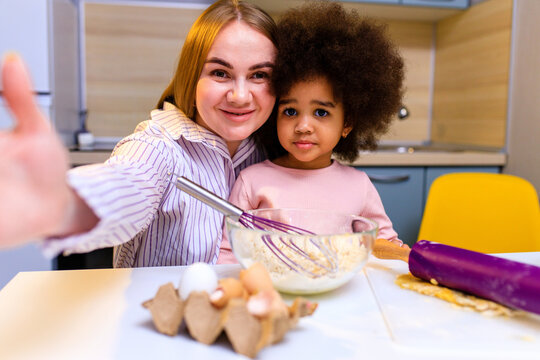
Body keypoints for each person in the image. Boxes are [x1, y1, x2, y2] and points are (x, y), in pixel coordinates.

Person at [0, 0, 277, 267]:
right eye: (220, 73)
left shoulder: (274, 152)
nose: (240, 96)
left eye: (259, 75)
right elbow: (129, 182)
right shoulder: (158, 147)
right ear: (191, 77)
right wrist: (64, 205)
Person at [218, 1, 407, 264]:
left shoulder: (359, 187)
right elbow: (228, 253)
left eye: (321, 113)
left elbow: (383, 246)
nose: (303, 126)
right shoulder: (252, 182)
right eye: (290, 111)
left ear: (347, 123)